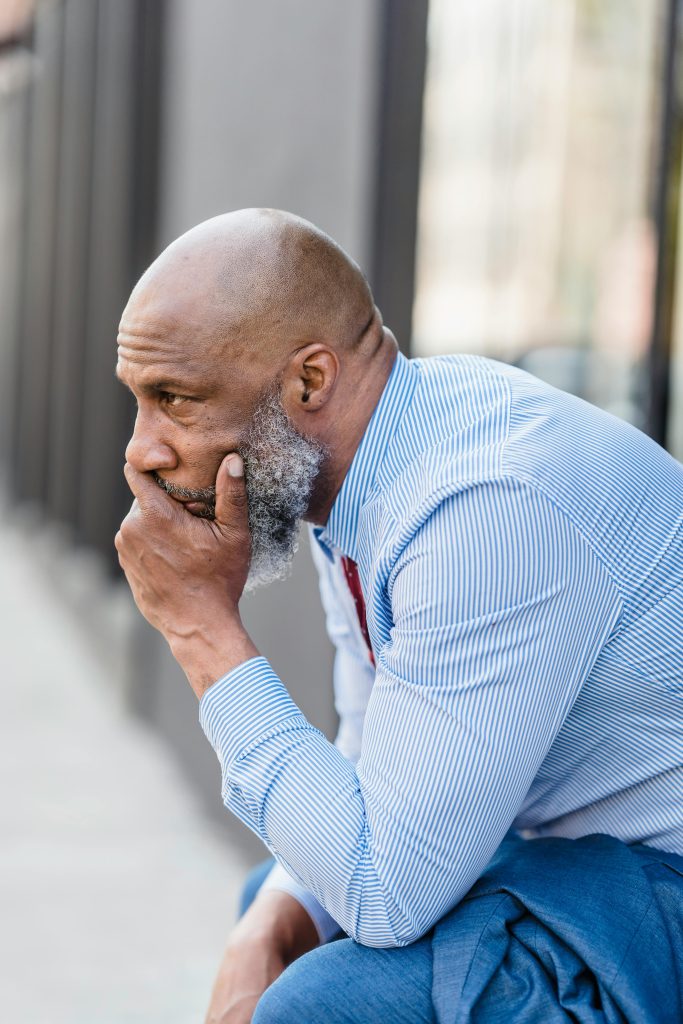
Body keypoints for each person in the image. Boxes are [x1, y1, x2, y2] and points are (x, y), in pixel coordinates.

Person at [115, 209, 683, 1024]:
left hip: (653, 887)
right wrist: (277, 914)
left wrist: (200, 629)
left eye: (176, 399)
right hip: (579, 862)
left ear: (309, 382)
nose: (142, 449)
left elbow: (385, 890)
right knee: (282, 911)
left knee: (322, 1003)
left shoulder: (483, 508)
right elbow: (372, 741)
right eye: (139, 399)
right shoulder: (359, 471)